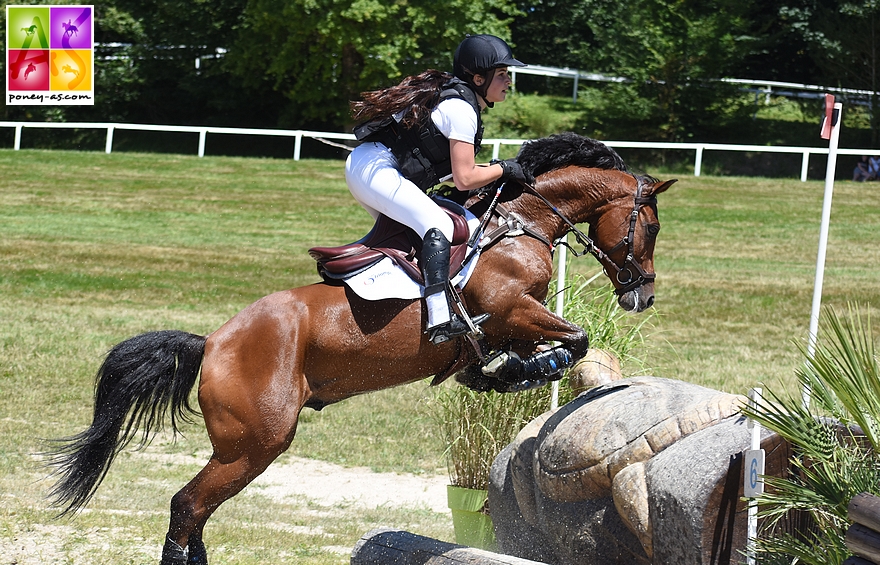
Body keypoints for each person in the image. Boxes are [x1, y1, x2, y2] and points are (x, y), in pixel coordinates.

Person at [345, 34, 530, 345]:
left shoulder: (461, 100)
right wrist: (504, 168)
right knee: (439, 225)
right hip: (375, 169)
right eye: (502, 74)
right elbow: (465, 179)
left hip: (369, 167)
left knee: (413, 236)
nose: (508, 81)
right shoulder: (461, 109)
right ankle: (440, 319)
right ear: (478, 78)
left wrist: (495, 169)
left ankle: (401, 310)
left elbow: (458, 173)